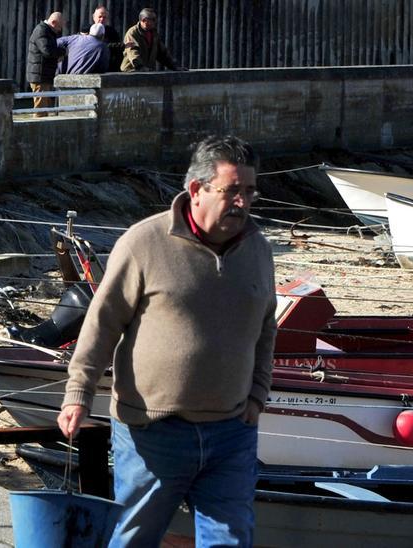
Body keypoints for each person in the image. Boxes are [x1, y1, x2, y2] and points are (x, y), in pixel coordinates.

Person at [57, 135, 274, 547]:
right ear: (197, 190)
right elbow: (102, 322)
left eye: (249, 191)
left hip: (231, 431)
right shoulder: (143, 243)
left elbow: (266, 327)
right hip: (152, 432)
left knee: (232, 542)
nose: (243, 203)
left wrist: (257, 396)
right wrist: (78, 394)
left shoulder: (258, 248)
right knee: (134, 540)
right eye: (232, 191)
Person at [26, 12, 66, 117]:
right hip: (40, 75)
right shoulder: (42, 31)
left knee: (45, 107)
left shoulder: (47, 31)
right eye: (59, 27)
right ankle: (36, 130)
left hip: (42, 74)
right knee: (41, 109)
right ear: (53, 22)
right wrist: (62, 52)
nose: (59, 30)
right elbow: (47, 51)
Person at [121, 8, 180, 72]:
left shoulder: (154, 33)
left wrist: (174, 67)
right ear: (144, 20)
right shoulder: (133, 32)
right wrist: (140, 67)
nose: (155, 22)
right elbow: (133, 51)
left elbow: (162, 53)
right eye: (153, 20)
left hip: (147, 71)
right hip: (132, 71)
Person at [91, 5, 124, 73]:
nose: (102, 19)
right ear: (94, 17)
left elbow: (118, 51)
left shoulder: (112, 32)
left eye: (104, 17)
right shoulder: (87, 30)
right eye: (100, 16)